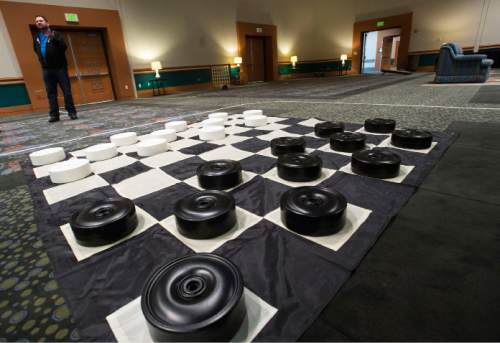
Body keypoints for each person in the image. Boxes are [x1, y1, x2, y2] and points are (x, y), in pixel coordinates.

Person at [33, 15, 78, 123]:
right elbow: (36, 50)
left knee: (66, 91)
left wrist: (53, 38)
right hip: (46, 70)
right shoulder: (37, 37)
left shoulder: (56, 34)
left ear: (47, 23)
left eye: (41, 20)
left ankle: (72, 112)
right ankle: (54, 115)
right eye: (37, 21)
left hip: (60, 68)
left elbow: (63, 47)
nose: (39, 22)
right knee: (51, 93)